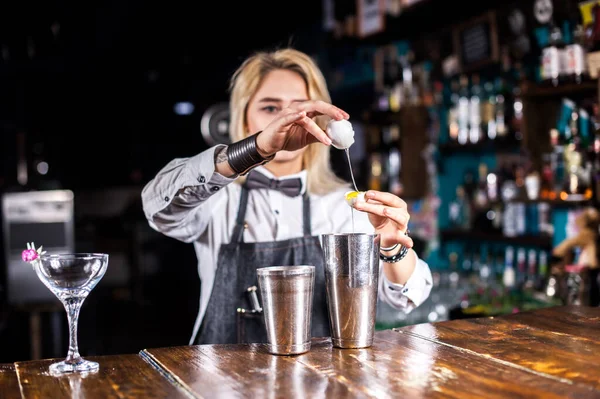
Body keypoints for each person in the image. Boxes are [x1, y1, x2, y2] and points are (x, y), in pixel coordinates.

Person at [141, 48, 433, 345]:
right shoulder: (215, 197)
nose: (289, 121)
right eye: (270, 109)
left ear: (321, 121)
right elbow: (155, 206)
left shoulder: (345, 204)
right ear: (243, 119)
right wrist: (255, 149)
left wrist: (393, 248)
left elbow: (408, 298)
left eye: (301, 109)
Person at [552, 207, 600, 306]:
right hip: (583, 281)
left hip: (584, 282)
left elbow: (559, 250)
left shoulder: (588, 238)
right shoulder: (589, 238)